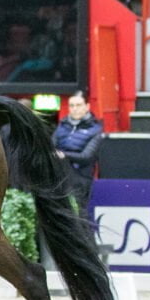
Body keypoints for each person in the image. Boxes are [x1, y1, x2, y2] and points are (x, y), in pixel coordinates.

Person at [52, 91, 103, 219]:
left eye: (78, 105)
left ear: (87, 106)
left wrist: (64, 155)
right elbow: (50, 149)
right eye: (71, 105)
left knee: (79, 218)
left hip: (80, 180)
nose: (75, 109)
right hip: (59, 178)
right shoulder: (62, 126)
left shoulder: (96, 129)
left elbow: (87, 157)